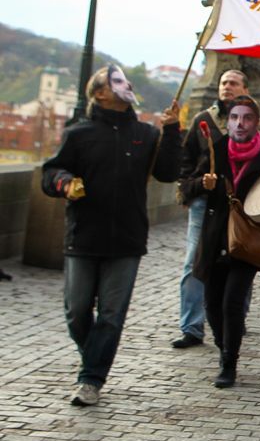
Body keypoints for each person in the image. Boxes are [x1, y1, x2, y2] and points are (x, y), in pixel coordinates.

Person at [43, 66, 181, 406]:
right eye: (116, 80)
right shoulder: (79, 133)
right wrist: (64, 183)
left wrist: (173, 130)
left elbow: (168, 172)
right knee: (76, 311)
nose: (126, 84)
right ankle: (94, 354)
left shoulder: (146, 133)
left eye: (126, 80)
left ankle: (91, 379)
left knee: (111, 314)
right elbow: (51, 172)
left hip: (127, 238)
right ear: (100, 93)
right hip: (84, 235)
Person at [182, 95, 260, 388]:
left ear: (257, 123)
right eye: (235, 118)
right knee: (212, 304)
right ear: (228, 121)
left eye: (247, 118)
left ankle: (229, 362)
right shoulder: (216, 150)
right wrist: (203, 184)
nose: (240, 123)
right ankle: (221, 341)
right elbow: (186, 187)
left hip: (248, 239)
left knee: (232, 302)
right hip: (216, 237)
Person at [172, 69, 249, 349]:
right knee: (195, 260)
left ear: (245, 89)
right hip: (205, 199)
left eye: (233, 83)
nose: (227, 87)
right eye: (224, 82)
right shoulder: (202, 119)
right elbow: (186, 158)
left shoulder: (256, 122)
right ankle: (192, 326)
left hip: (240, 201)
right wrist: (192, 185)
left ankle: (236, 316)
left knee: (241, 256)